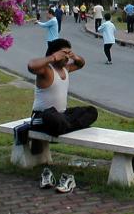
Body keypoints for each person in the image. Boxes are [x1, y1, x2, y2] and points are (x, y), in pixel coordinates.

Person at [27, 39, 97, 193]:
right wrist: (52, 58)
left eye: (68, 53)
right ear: (56, 54)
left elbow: (81, 64)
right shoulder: (46, 70)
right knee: (55, 119)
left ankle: (64, 126)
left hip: (62, 115)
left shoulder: (65, 69)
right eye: (64, 54)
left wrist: (76, 57)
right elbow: (31, 65)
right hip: (42, 117)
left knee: (91, 111)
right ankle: (64, 125)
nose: (67, 57)